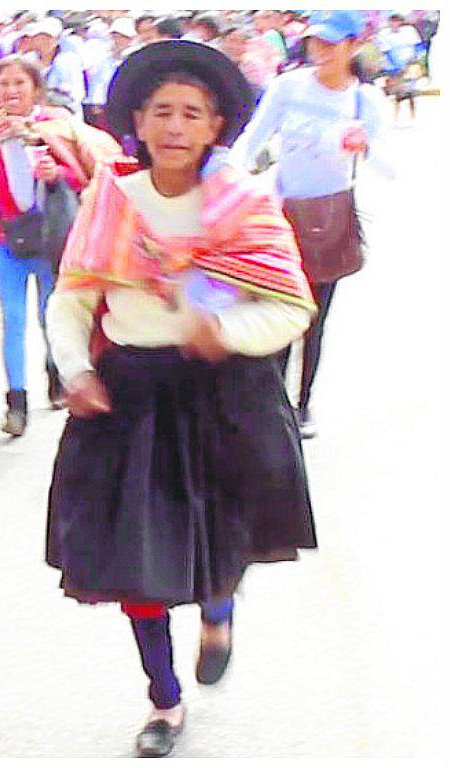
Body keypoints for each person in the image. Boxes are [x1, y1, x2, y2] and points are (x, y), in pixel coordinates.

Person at [45, 40, 318, 758]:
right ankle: (164, 700)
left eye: (192, 113)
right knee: (134, 565)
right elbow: (73, 300)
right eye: (161, 111)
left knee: (222, 541)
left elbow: (290, 306)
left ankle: (219, 606)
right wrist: (77, 370)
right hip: (130, 400)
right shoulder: (111, 202)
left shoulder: (244, 206)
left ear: (215, 126)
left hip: (224, 398)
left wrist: (223, 332)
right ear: (137, 121)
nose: (174, 126)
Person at [229, 10, 384, 438]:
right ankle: (272, 402)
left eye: (332, 44)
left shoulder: (364, 100)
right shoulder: (289, 86)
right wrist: (230, 177)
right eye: (317, 42)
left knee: (316, 316)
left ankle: (303, 404)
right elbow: (254, 137)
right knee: (277, 305)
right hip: (283, 214)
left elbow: (392, 167)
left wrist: (365, 145)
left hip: (331, 217)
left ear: (354, 46)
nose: (322, 52)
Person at [0, 56, 121, 437]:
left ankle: (56, 378)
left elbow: (85, 177)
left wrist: (56, 173)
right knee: (13, 321)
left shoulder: (57, 128)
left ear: (36, 89)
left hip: (51, 242)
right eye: (4, 84)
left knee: (51, 315)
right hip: (5, 242)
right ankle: (16, 404)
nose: (11, 91)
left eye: (20, 83)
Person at [24, 16, 87, 119]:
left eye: (47, 38)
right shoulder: (28, 60)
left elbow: (75, 94)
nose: (42, 43)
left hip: (65, 115)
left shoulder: (69, 60)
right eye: (39, 38)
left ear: (57, 40)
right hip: (36, 114)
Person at [84, 17, 135, 130]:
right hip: (102, 107)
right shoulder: (104, 58)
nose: (118, 40)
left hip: (123, 107)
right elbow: (98, 82)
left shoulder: (134, 58)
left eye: (123, 37)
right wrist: (96, 102)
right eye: (115, 36)